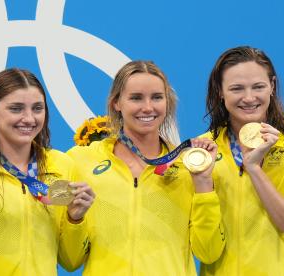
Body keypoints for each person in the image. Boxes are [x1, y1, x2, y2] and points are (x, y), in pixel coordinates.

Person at [67, 60, 225, 275]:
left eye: (157, 97)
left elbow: (208, 252)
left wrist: (203, 182)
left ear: (167, 103)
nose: (148, 107)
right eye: (136, 98)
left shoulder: (188, 165)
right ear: (116, 103)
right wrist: (73, 219)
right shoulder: (80, 161)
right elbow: (70, 260)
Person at [0, 68, 95, 275]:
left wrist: (75, 219)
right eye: (16, 109)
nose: (29, 119)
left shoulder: (61, 165)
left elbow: (71, 261)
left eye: (37, 108)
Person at [201, 46, 284, 275]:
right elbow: (204, 249)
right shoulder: (202, 150)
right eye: (237, 88)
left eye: (258, 87)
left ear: (272, 86)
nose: (249, 98)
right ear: (220, 91)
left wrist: (254, 169)